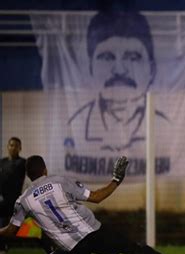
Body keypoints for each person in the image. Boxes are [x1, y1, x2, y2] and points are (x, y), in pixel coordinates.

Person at [0, 155, 185, 254]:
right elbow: (96, 197)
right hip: (94, 234)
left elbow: (11, 231)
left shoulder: (23, 200)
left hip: (72, 249)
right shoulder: (59, 181)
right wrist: (116, 180)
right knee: (136, 248)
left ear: (28, 175)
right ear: (45, 169)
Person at [67, 11, 169, 152]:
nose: (120, 70)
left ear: (152, 70)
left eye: (133, 57)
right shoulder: (75, 125)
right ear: (90, 68)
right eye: (107, 57)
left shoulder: (166, 127)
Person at [0, 137, 26, 254]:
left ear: (20, 148)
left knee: (9, 225)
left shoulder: (22, 163)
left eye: (16, 145)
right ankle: (3, 247)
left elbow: (10, 176)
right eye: (11, 145)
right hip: (3, 199)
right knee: (3, 223)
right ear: (7, 147)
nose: (13, 148)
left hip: (16, 200)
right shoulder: (2, 162)